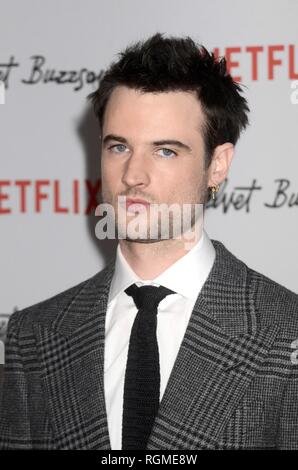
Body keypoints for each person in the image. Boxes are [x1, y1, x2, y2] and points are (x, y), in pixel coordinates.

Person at [0, 32, 298, 450]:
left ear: (218, 165)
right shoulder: (34, 335)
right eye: (119, 146)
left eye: (165, 151)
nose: (133, 175)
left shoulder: (285, 331)